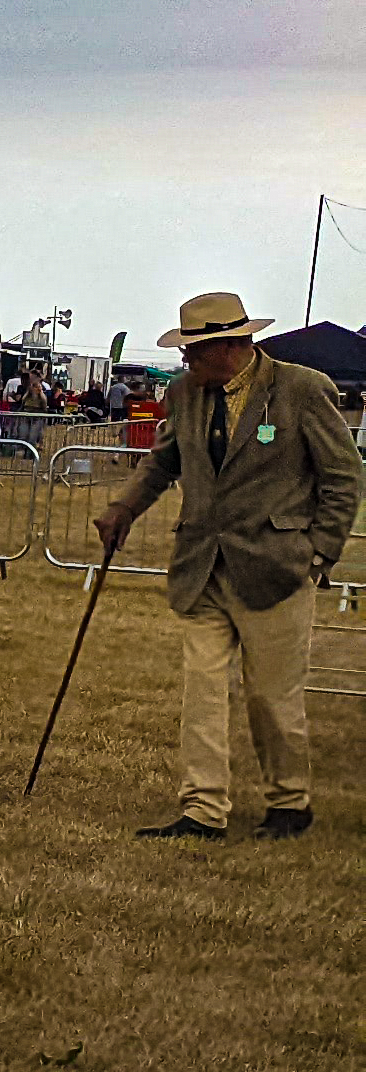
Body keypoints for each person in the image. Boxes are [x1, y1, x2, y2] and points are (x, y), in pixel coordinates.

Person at [96, 290, 365, 841]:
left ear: (231, 346)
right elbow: (164, 460)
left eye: (195, 350)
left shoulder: (302, 390)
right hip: (202, 566)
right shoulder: (184, 391)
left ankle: (289, 802)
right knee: (202, 689)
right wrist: (124, 506)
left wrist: (319, 552)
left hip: (277, 568)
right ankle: (202, 809)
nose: (186, 360)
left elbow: (343, 476)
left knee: (271, 695)